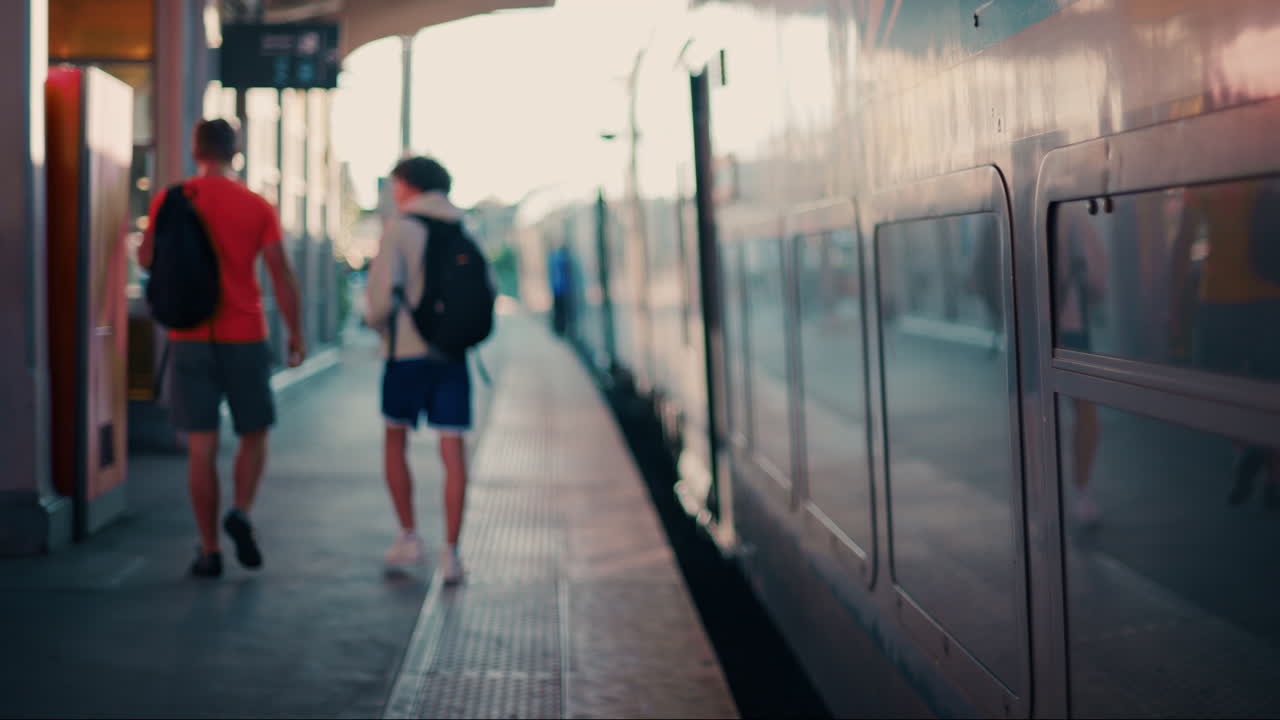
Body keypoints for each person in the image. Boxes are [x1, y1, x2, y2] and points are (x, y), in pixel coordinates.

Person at [139, 119, 305, 578]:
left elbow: (146, 258)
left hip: (189, 336)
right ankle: (242, 511)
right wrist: (295, 333)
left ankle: (209, 549)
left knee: (201, 446)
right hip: (245, 334)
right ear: (236, 151)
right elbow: (281, 273)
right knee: (254, 431)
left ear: (196, 149)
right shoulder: (255, 205)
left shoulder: (171, 198)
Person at [364, 156, 471, 583]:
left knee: (395, 439)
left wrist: (382, 329)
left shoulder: (401, 227)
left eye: (396, 184)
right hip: (452, 355)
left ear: (409, 185)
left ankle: (408, 537)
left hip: (405, 352)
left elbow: (379, 303)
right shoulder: (464, 227)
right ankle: (453, 553)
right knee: (453, 448)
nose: (394, 192)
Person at [549, 242, 574, 336]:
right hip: (562, 289)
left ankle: (558, 329)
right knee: (561, 311)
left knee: (558, 311)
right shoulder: (561, 257)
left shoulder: (553, 256)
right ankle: (560, 329)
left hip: (556, 289)